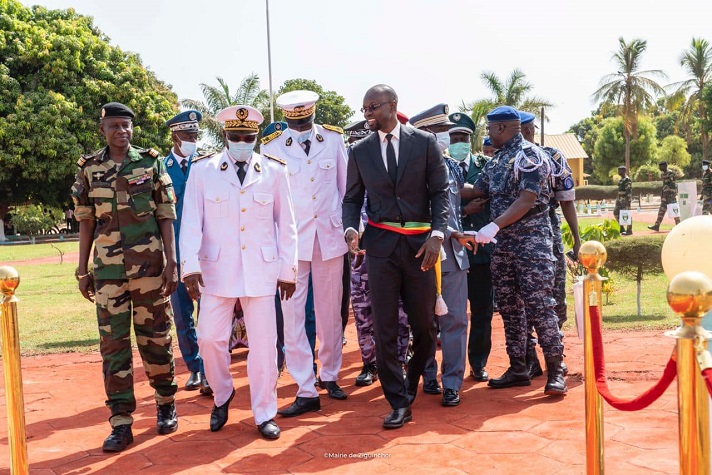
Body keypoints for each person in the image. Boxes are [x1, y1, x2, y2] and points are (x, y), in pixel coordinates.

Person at [179, 105, 297, 439]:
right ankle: (222, 393)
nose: (242, 142)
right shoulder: (204, 170)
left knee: (263, 346)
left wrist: (288, 270)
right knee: (210, 339)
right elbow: (190, 222)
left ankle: (264, 413)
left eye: (248, 137)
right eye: (236, 136)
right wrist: (189, 267)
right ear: (225, 136)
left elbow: (286, 225)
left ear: (256, 137)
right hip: (216, 271)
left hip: (261, 271)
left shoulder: (274, 171)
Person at [71, 102, 179, 452]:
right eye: (115, 126)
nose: (122, 131)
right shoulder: (89, 168)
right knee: (113, 347)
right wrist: (82, 268)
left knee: (156, 338)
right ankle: (120, 422)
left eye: (127, 126)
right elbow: (86, 220)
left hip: (149, 269)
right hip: (107, 273)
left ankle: (165, 404)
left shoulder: (150, 162)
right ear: (102, 129)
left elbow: (165, 214)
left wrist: (172, 261)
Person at [343, 84, 449, 429]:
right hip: (380, 249)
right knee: (385, 328)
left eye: (373, 107)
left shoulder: (424, 142)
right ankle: (398, 402)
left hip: (421, 249)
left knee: (425, 328)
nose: (368, 114)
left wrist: (436, 235)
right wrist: (350, 230)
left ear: (393, 105)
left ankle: (409, 386)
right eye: (364, 110)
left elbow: (441, 194)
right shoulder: (359, 151)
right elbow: (351, 199)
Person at [462, 105, 567, 396]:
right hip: (503, 248)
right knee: (509, 309)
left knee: (539, 306)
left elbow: (526, 199)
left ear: (501, 129)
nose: (487, 134)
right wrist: (443, 182)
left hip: (531, 245)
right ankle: (518, 366)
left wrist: (493, 225)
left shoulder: (530, 156)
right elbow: (476, 190)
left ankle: (556, 369)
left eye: (489, 129)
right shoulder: (497, 161)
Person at [261, 90, 349, 416]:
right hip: (291, 245)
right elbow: (269, 202)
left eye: (306, 118)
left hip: (329, 238)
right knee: (293, 318)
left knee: (330, 314)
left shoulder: (333, 140)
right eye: (295, 120)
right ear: (286, 118)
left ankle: (330, 374)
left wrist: (350, 229)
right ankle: (305, 386)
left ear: (313, 114)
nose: (301, 124)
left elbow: (345, 189)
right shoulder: (271, 148)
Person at [412, 105, 474, 407]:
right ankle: (429, 376)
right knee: (424, 323)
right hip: (421, 254)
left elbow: (451, 207)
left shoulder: (451, 166)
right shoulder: (408, 167)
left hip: (453, 255)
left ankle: (452, 384)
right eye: (440, 132)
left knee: (455, 322)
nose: (446, 138)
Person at [343, 119, 412, 386]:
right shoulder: (350, 184)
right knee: (363, 314)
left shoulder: (390, 176)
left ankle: (399, 362)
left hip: (391, 255)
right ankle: (369, 364)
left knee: (399, 313)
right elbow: (348, 206)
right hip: (361, 262)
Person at [520, 111, 580, 378]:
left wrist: (577, 240)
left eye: (530, 129)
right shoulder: (502, 159)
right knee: (518, 303)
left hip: (548, 235)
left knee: (553, 297)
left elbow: (566, 200)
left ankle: (555, 355)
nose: (527, 135)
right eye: (522, 130)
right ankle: (529, 357)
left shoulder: (553, 156)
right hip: (512, 239)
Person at [260, 121, 318, 376]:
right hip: (273, 255)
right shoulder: (267, 160)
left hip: (309, 245)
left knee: (310, 313)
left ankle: (310, 363)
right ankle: (281, 358)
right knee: (280, 313)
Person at [163, 110, 211, 395]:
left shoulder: (205, 165)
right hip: (174, 253)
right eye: (187, 135)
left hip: (204, 252)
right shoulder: (161, 166)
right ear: (174, 136)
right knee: (182, 314)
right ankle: (193, 367)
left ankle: (207, 369)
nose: (192, 140)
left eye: (195, 135)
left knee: (207, 313)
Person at [452, 117, 494, 383]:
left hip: (481, 252)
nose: (459, 144)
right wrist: (464, 210)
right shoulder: (438, 167)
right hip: (452, 252)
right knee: (449, 315)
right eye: (454, 139)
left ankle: (478, 363)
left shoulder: (486, 166)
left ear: (472, 140)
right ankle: (448, 368)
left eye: (463, 139)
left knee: (482, 311)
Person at [648, 161, 680, 231]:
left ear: (665, 166)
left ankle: (679, 226)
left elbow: (673, 184)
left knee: (674, 211)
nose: (659, 168)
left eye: (661, 166)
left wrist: (672, 193)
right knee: (661, 211)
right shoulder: (663, 174)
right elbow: (664, 185)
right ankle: (657, 226)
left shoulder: (671, 173)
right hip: (665, 196)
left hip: (671, 195)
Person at [614, 165, 633, 235]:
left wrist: (628, 201)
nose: (619, 172)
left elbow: (629, 191)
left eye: (620, 170)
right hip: (619, 199)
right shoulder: (621, 180)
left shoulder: (627, 179)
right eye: (618, 170)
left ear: (624, 171)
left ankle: (629, 230)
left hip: (625, 199)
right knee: (615, 212)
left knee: (627, 214)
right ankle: (621, 228)